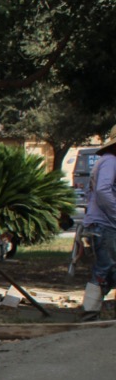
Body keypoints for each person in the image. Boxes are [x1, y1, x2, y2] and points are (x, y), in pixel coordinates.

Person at [79, 127, 116, 321]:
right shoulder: (111, 161)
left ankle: (92, 311)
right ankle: (89, 313)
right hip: (105, 225)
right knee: (105, 267)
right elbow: (102, 191)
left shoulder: (105, 162)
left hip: (100, 224)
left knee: (109, 268)